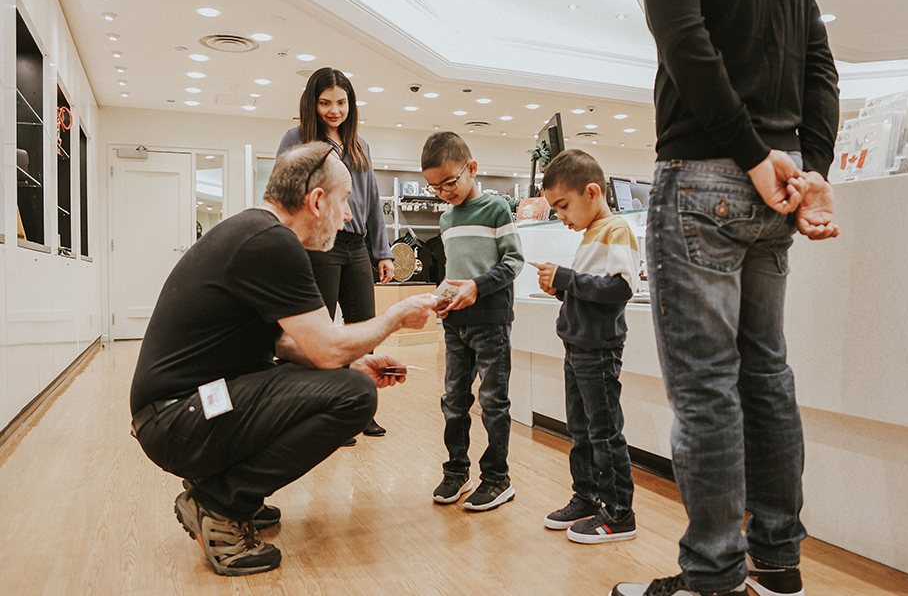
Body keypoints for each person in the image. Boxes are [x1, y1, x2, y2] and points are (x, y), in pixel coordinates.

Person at [611, 0, 840, 595]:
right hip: (775, 183)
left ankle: (713, 579)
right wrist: (808, 167)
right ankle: (777, 565)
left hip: (705, 175)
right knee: (767, 376)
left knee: (706, 387)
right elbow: (820, 67)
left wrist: (753, 154)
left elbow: (685, 41)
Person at [130, 142, 436, 576]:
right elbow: (325, 347)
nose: (348, 214)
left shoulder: (254, 233)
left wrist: (349, 364)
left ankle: (223, 491)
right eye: (344, 200)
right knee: (355, 397)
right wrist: (395, 317)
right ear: (316, 201)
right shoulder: (272, 243)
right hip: (179, 419)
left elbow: (289, 346)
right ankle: (218, 505)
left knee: (348, 381)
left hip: (179, 413)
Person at [277, 67, 394, 439]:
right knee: (322, 333)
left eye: (341, 102)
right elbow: (284, 191)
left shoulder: (359, 145)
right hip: (319, 244)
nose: (334, 110)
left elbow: (372, 202)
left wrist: (383, 252)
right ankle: (326, 410)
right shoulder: (296, 139)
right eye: (325, 102)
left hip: (356, 246)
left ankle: (360, 408)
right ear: (312, 104)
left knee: (364, 328)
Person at [534, 150, 640, 544]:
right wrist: (563, 286)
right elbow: (590, 293)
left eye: (563, 205)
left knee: (604, 431)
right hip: (577, 346)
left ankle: (619, 514)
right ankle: (587, 496)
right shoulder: (592, 233)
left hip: (597, 350)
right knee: (581, 430)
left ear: (592, 192)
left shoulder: (616, 230)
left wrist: (568, 279)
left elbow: (619, 289)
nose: (561, 215)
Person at [420, 131, 524, 511]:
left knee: (494, 401)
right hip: (453, 322)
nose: (444, 192)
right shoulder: (447, 218)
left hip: (491, 321)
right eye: (435, 187)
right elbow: (454, 270)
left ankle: (497, 478)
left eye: (450, 181)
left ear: (472, 169)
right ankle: (456, 471)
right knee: (453, 400)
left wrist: (477, 288)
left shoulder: (496, 209)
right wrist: (440, 295)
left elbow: (513, 262)